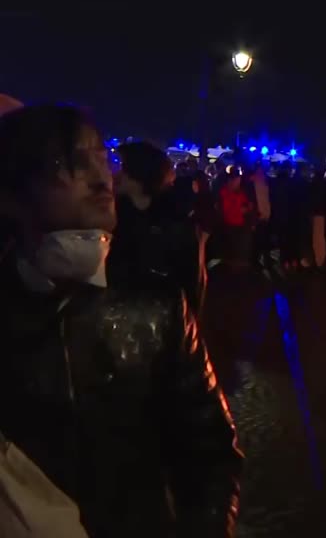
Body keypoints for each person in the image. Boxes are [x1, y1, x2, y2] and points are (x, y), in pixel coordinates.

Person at [0, 105, 241, 536]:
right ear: (13, 191)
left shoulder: (157, 304)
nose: (100, 179)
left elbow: (210, 450)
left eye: (101, 159)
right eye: (65, 165)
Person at [107, 141, 206, 318]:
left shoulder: (176, 221)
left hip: (161, 322)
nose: (114, 173)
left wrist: (186, 322)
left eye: (120, 166)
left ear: (139, 173)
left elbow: (192, 283)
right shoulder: (113, 216)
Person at [217, 169, 251, 270]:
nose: (238, 182)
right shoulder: (224, 192)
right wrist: (240, 208)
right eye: (237, 180)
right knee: (230, 252)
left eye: (239, 180)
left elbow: (245, 204)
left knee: (237, 252)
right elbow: (226, 209)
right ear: (231, 180)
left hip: (240, 224)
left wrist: (247, 208)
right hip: (229, 225)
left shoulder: (241, 192)